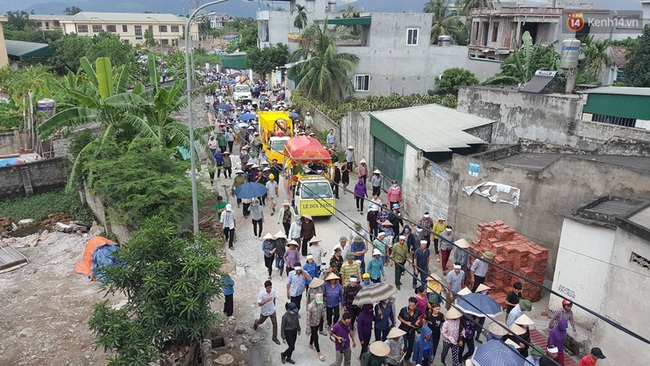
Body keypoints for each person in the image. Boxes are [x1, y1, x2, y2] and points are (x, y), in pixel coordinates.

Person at [253, 280, 281, 345]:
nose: (269, 289)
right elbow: (259, 304)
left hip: (272, 310)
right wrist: (266, 301)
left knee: (275, 323)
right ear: (265, 287)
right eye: (268, 288)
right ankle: (256, 322)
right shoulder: (261, 294)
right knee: (261, 321)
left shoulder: (273, 291)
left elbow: (274, 298)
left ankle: (274, 337)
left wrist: (274, 305)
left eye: (270, 287)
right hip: (265, 311)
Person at [398, 297, 422, 361]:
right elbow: (399, 317)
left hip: (412, 330)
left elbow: (419, 318)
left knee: (411, 348)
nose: (411, 307)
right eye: (410, 305)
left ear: (416, 305)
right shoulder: (403, 310)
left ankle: (406, 359)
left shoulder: (418, 311)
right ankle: (399, 359)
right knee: (404, 347)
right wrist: (406, 323)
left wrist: (417, 322)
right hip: (403, 330)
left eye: (412, 306)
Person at [307, 293, 326, 361]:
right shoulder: (310, 306)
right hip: (312, 324)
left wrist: (325, 322)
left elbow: (323, 313)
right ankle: (319, 352)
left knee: (314, 334)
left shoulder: (321, 304)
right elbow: (308, 319)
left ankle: (310, 344)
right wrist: (308, 329)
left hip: (318, 322)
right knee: (316, 336)